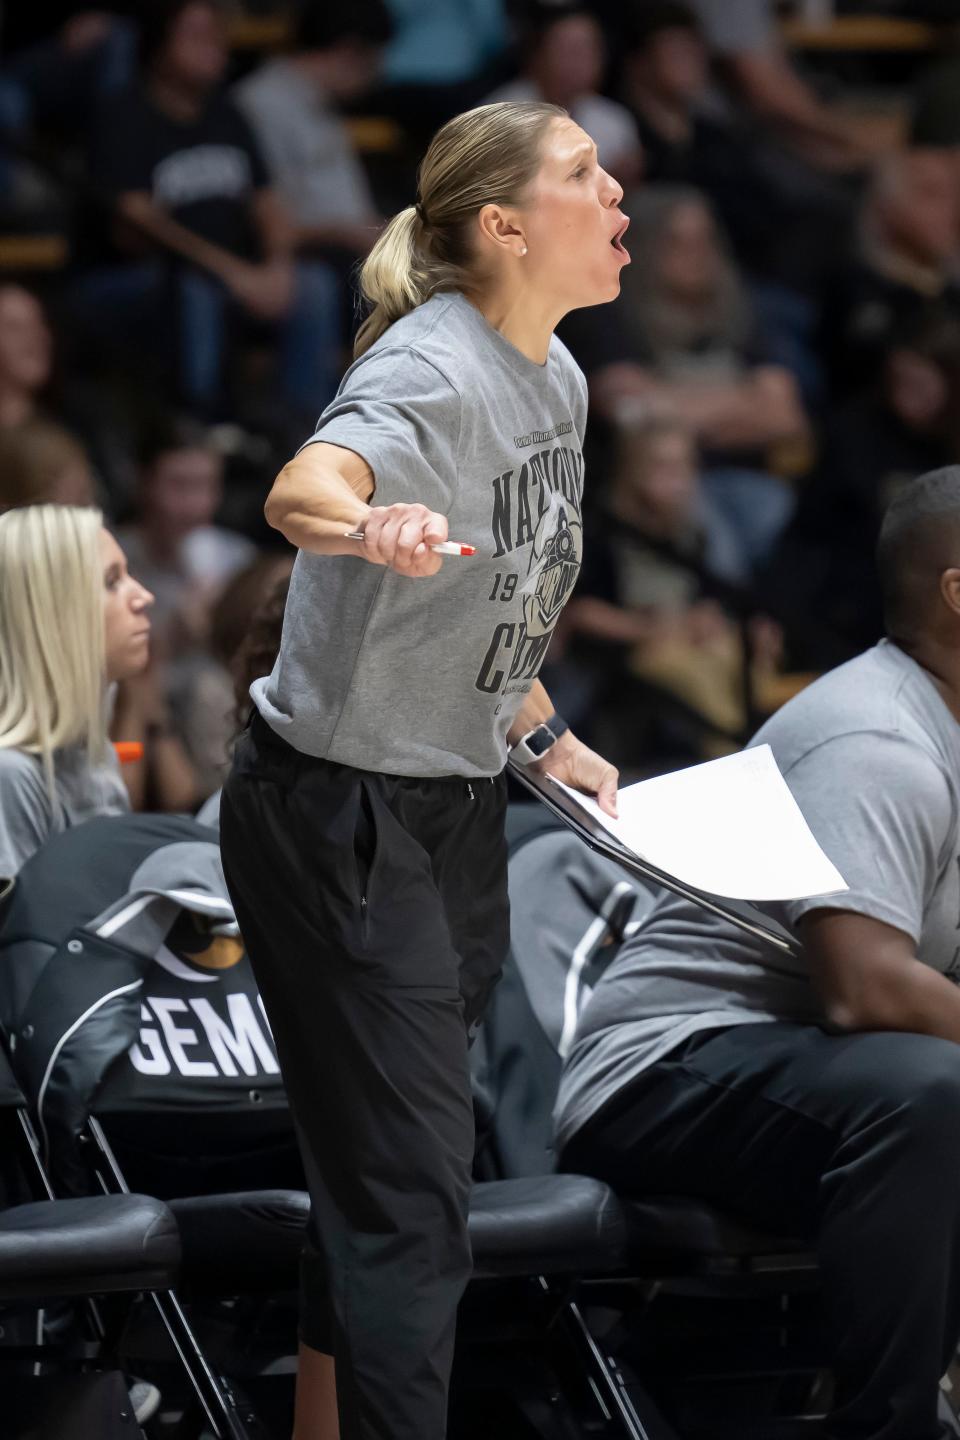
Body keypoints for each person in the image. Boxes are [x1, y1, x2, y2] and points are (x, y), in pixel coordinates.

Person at [219, 99, 624, 1440]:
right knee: (411, 1198)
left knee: (394, 1175)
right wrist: (364, 524)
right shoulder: (434, 369)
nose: (616, 190)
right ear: (504, 226)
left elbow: (497, 605)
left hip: (449, 802)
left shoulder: (555, 380)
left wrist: (545, 732)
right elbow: (298, 487)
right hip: (335, 811)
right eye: (583, 173)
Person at [556, 463, 960, 1440]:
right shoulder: (879, 739)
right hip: (660, 1072)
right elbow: (863, 992)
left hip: (803, 1071)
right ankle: (894, 1427)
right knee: (933, 1091)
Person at [80, 0, 341, 422]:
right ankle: (201, 426)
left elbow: (267, 201)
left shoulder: (228, 113)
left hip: (232, 274)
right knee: (192, 290)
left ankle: (306, 428)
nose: (215, 48)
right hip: (141, 279)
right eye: (198, 36)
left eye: (218, 37)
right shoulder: (124, 114)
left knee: (310, 285)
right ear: (159, 43)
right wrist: (232, 273)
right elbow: (137, 220)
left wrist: (277, 266)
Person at [0, 504, 151, 877]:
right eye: (112, 581)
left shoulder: (91, 752)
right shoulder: (10, 775)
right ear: (52, 615)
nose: (143, 596)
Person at [234, 1, 392, 262]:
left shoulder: (324, 102)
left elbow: (353, 210)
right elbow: (269, 218)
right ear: (349, 51)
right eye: (374, 62)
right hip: (303, 261)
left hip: (350, 255)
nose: (377, 76)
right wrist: (346, 234)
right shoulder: (260, 103)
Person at [485, 4, 642, 184]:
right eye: (569, 49)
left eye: (589, 48)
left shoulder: (615, 119)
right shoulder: (500, 114)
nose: (581, 60)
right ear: (537, 55)